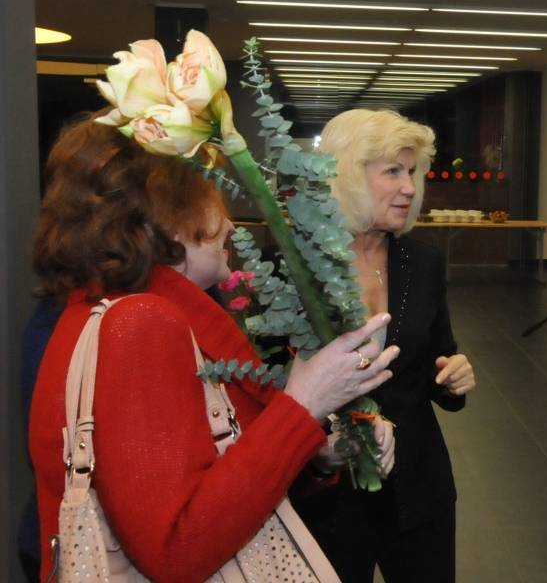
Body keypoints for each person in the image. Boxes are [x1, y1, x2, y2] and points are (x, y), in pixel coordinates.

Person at [29, 112, 398, 581]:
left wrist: (316, 450)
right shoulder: (141, 325)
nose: (227, 223)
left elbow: (216, 467)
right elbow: (175, 548)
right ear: (169, 219)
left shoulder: (105, 308)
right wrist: (303, 404)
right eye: (211, 199)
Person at [293, 109, 476, 583]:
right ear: (348, 177)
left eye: (413, 171)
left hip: (419, 487)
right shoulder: (294, 267)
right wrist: (316, 449)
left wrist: (455, 377)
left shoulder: (424, 262)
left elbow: (439, 366)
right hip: (327, 494)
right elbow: (272, 388)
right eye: (393, 171)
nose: (410, 187)